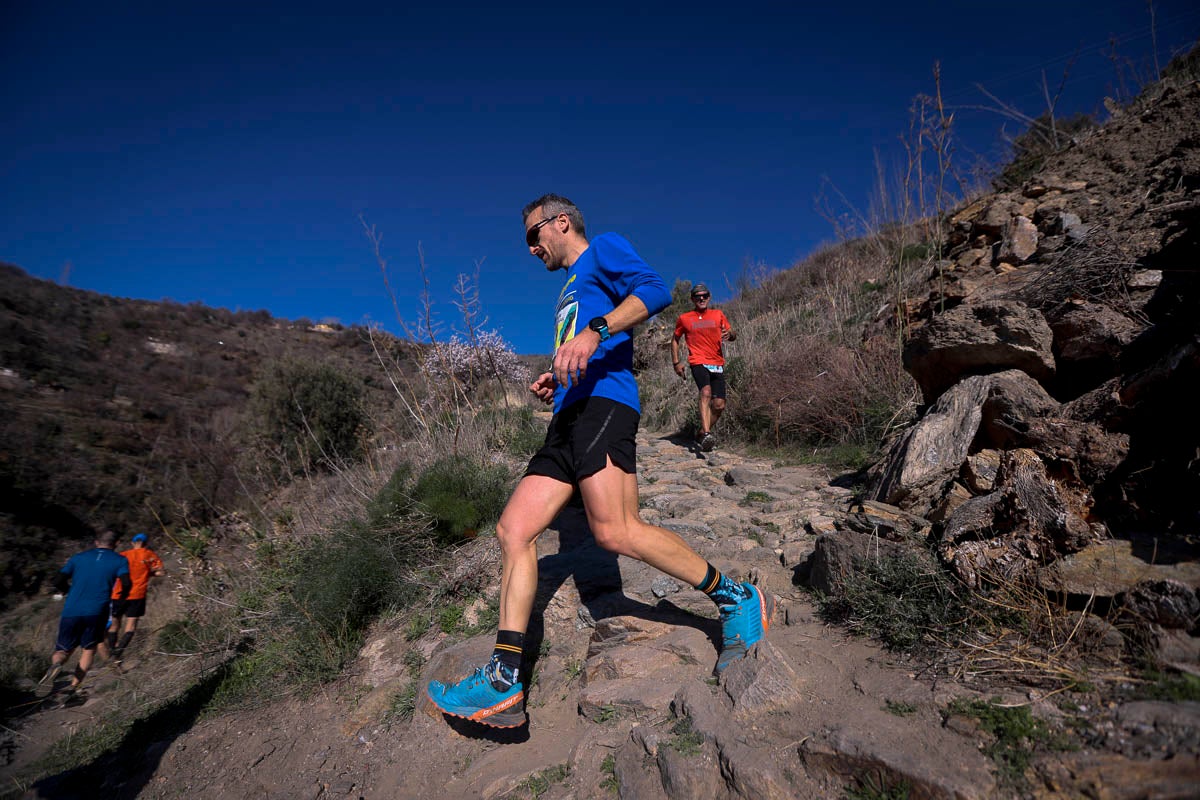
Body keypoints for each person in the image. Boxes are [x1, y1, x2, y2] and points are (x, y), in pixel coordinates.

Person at [426, 195, 774, 728]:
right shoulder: (568, 288)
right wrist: (559, 373)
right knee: (513, 530)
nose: (529, 248)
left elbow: (655, 291)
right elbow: (582, 347)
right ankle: (503, 681)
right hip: (568, 415)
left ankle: (736, 597)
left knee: (616, 532)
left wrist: (595, 332)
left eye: (532, 235)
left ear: (560, 223)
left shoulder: (603, 249)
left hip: (606, 406)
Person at [39, 530, 131, 696]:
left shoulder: (77, 558)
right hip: (97, 611)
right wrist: (121, 600)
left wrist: (69, 591)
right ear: (117, 543)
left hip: (71, 609)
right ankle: (73, 688)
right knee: (89, 649)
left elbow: (57, 580)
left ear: (96, 542)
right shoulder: (120, 560)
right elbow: (126, 583)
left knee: (63, 650)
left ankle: (56, 665)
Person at [672, 283, 736, 452]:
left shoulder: (718, 314)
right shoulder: (685, 318)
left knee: (719, 405)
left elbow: (732, 335)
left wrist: (730, 334)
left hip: (717, 362)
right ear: (692, 299)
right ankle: (707, 434)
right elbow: (675, 339)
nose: (701, 298)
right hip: (697, 361)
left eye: (704, 295)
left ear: (709, 297)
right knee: (705, 392)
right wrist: (676, 362)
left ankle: (701, 432)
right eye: (697, 296)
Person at [106, 532, 165, 661]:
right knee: (130, 627)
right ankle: (118, 653)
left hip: (118, 594)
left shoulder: (123, 555)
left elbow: (111, 572)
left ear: (132, 543)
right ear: (146, 543)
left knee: (114, 625)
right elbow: (161, 572)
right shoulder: (149, 555)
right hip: (137, 595)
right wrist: (147, 574)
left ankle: (112, 652)